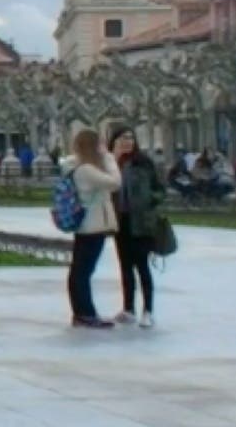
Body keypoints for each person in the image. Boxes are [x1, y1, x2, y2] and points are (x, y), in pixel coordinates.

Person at [108, 127, 164, 329]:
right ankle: (128, 308)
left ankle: (148, 310)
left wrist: (149, 201)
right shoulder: (111, 163)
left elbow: (160, 190)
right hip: (119, 222)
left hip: (141, 222)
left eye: (131, 138)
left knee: (142, 266)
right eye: (123, 138)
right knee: (125, 267)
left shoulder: (143, 163)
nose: (128, 142)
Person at [67, 129, 120, 328]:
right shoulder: (86, 170)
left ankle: (82, 312)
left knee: (80, 270)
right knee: (83, 271)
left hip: (87, 225)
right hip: (92, 226)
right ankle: (85, 313)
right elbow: (115, 183)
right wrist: (110, 159)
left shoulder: (79, 166)